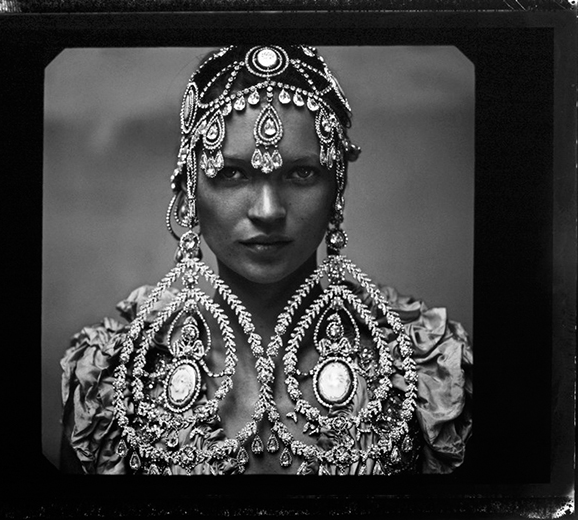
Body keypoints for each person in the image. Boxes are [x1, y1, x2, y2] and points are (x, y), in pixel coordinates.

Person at [60, 45, 473, 475]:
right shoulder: (111, 373)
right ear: (188, 191)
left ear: (338, 188)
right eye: (233, 173)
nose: (268, 210)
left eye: (301, 173)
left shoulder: (424, 364)